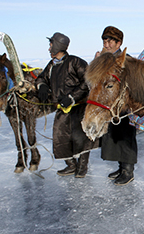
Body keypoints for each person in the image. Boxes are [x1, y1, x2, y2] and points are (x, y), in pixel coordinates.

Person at [36, 32, 99, 178]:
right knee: (60, 137)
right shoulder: (52, 65)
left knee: (81, 138)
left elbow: (87, 81)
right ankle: (71, 165)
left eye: (51, 44)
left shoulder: (75, 62)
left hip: (79, 108)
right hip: (61, 108)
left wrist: (72, 97)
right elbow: (41, 78)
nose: (49, 47)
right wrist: (42, 86)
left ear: (58, 45)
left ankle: (82, 167)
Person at [95, 26, 138, 186]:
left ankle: (128, 170)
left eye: (109, 41)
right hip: (109, 106)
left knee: (125, 136)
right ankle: (121, 167)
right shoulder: (104, 59)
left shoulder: (125, 60)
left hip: (124, 106)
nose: (106, 44)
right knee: (113, 136)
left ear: (118, 43)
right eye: (104, 41)